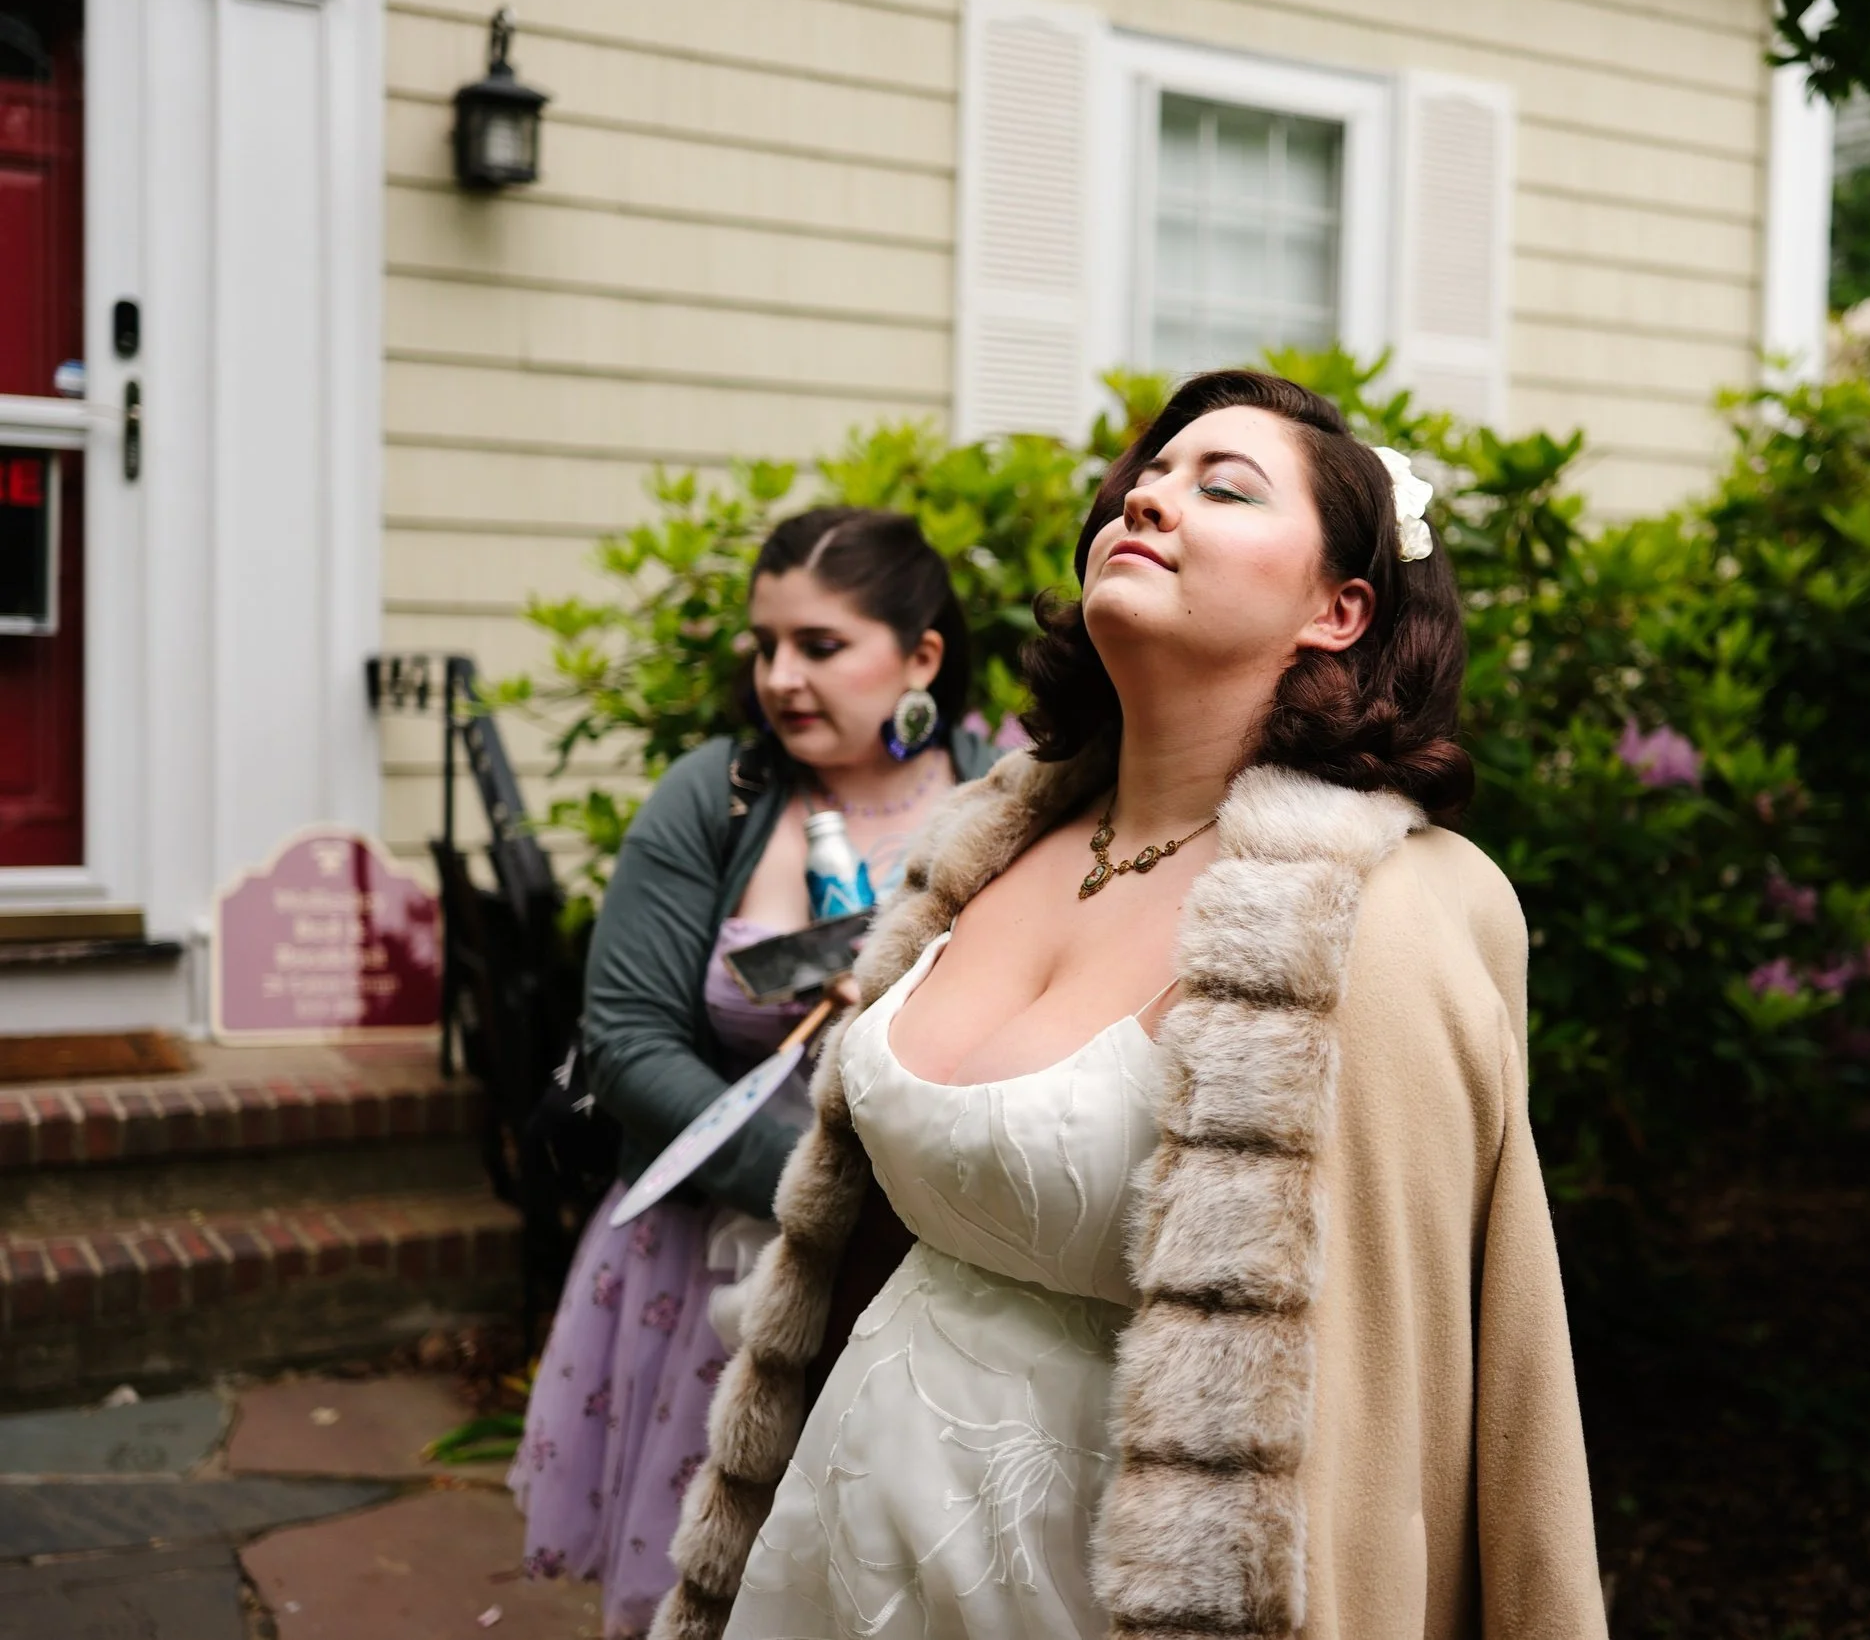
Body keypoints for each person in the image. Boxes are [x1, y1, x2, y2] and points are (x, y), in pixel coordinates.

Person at [655, 372, 1607, 1640]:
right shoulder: (985, 839)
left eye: (1221, 487)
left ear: (1340, 607)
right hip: (837, 1538)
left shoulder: (1387, 914)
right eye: (1142, 482)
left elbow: (1406, 1389)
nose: (1150, 498)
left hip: (1100, 1586)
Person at [510, 507, 1000, 1640]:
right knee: (708, 1589)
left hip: (930, 1274)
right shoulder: (713, 794)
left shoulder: (1015, 799)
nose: (780, 677)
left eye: (820, 646)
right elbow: (629, 1040)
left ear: (921, 654)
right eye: (766, 645)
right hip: (708, 1267)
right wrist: (830, 1195)